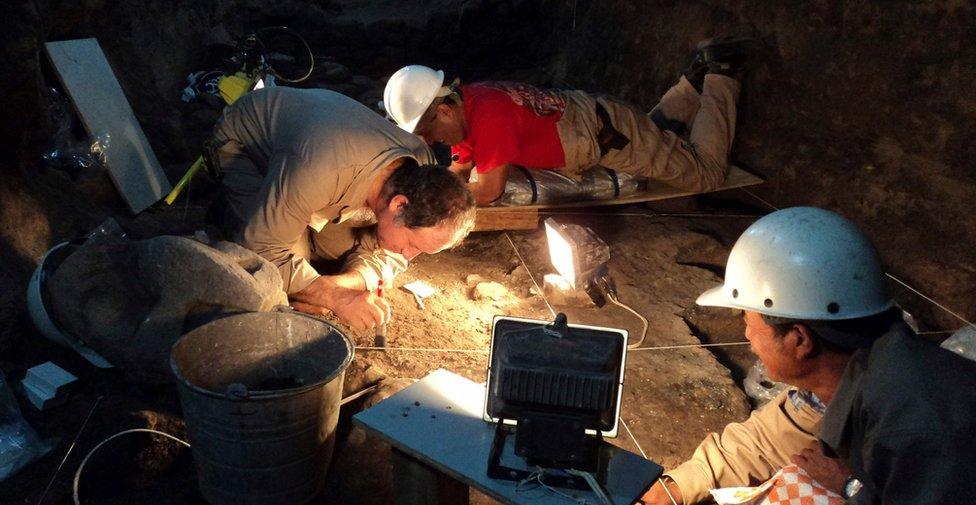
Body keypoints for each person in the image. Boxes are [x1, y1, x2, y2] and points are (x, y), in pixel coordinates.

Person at [632, 207, 976, 505]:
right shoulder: (849, 372)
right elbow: (770, 439)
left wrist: (851, 488)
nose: (747, 335)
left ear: (799, 339)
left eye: (748, 321)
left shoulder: (917, 428)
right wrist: (681, 484)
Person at [207, 86, 476, 330]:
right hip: (248, 147)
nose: (409, 255)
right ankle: (227, 210)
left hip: (317, 170)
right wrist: (335, 297)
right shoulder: (321, 168)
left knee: (325, 260)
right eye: (412, 244)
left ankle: (295, 218)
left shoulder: (422, 167)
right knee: (274, 275)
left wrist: (331, 284)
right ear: (399, 205)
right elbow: (262, 249)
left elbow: (389, 259)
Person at [382, 37, 756, 205]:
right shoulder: (467, 105)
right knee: (653, 136)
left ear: (443, 109)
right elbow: (462, 169)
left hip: (607, 133)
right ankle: (692, 83)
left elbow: (489, 190)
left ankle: (721, 73)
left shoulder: (490, 116)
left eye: (428, 131)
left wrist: (437, 207)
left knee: (705, 173)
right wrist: (438, 187)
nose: (431, 141)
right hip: (599, 122)